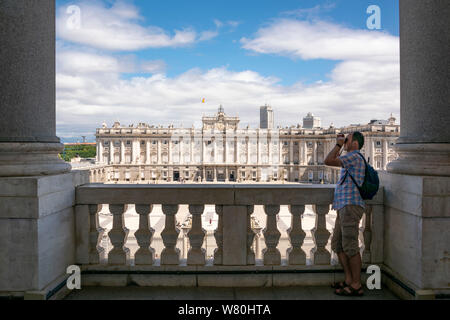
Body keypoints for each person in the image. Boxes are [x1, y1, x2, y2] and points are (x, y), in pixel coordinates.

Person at [324, 131, 366, 296]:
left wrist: (338, 145)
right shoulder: (351, 158)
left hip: (350, 205)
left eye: (347, 140)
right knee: (338, 244)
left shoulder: (354, 156)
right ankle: (349, 279)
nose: (344, 142)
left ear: (354, 143)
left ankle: (356, 284)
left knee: (351, 246)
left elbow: (328, 161)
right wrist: (341, 144)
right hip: (343, 206)